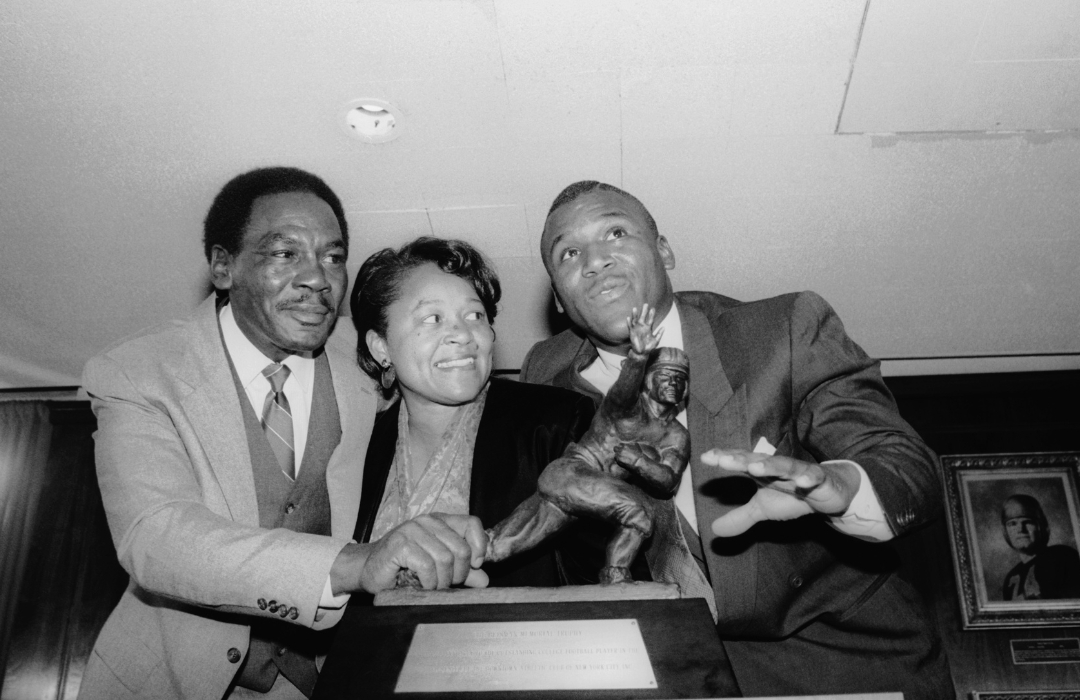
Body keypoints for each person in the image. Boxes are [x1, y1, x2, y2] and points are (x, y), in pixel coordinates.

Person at [520, 180, 953, 699]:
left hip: (839, 655)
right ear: (562, 304)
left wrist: (845, 488)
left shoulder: (781, 330)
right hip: (664, 671)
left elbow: (906, 466)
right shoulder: (545, 382)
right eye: (569, 253)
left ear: (664, 251)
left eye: (615, 232)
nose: (594, 260)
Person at [80, 168, 485, 700]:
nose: (318, 278)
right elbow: (156, 537)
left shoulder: (369, 355)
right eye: (285, 253)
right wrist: (354, 564)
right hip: (172, 681)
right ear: (224, 267)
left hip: (327, 678)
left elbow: (461, 380)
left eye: (333, 257)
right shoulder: (138, 371)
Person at [348, 237, 596, 589]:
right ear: (381, 347)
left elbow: (612, 581)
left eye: (474, 315)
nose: (463, 334)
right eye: (433, 318)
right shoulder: (357, 446)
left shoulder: (557, 424)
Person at [487, 305, 691, 585]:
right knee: (639, 514)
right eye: (665, 375)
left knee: (502, 545)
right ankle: (616, 580)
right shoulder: (626, 409)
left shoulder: (676, 435)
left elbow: (668, 480)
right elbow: (623, 390)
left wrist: (640, 463)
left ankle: (426, 566)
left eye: (680, 378)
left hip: (578, 496)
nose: (673, 382)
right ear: (647, 382)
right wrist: (639, 356)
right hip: (570, 474)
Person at [1000, 494, 1080, 600]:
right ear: (1006, 531)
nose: (1020, 529)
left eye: (1028, 522)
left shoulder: (1062, 557)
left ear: (1041, 526)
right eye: (1012, 524)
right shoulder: (1011, 578)